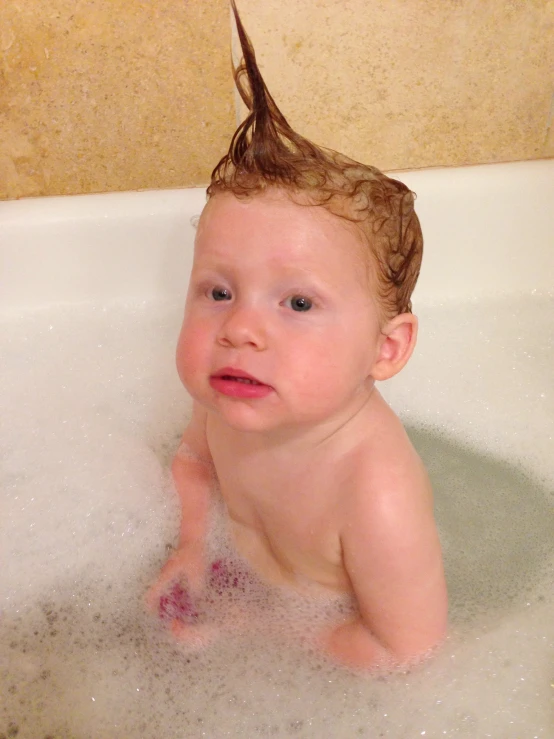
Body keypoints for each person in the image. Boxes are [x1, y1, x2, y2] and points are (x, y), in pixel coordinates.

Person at [148, 0, 447, 670]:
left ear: (386, 348)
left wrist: (255, 629)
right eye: (218, 291)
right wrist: (192, 544)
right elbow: (194, 462)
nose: (239, 328)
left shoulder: (374, 491)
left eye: (299, 301)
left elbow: (407, 646)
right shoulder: (232, 394)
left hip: (320, 649)